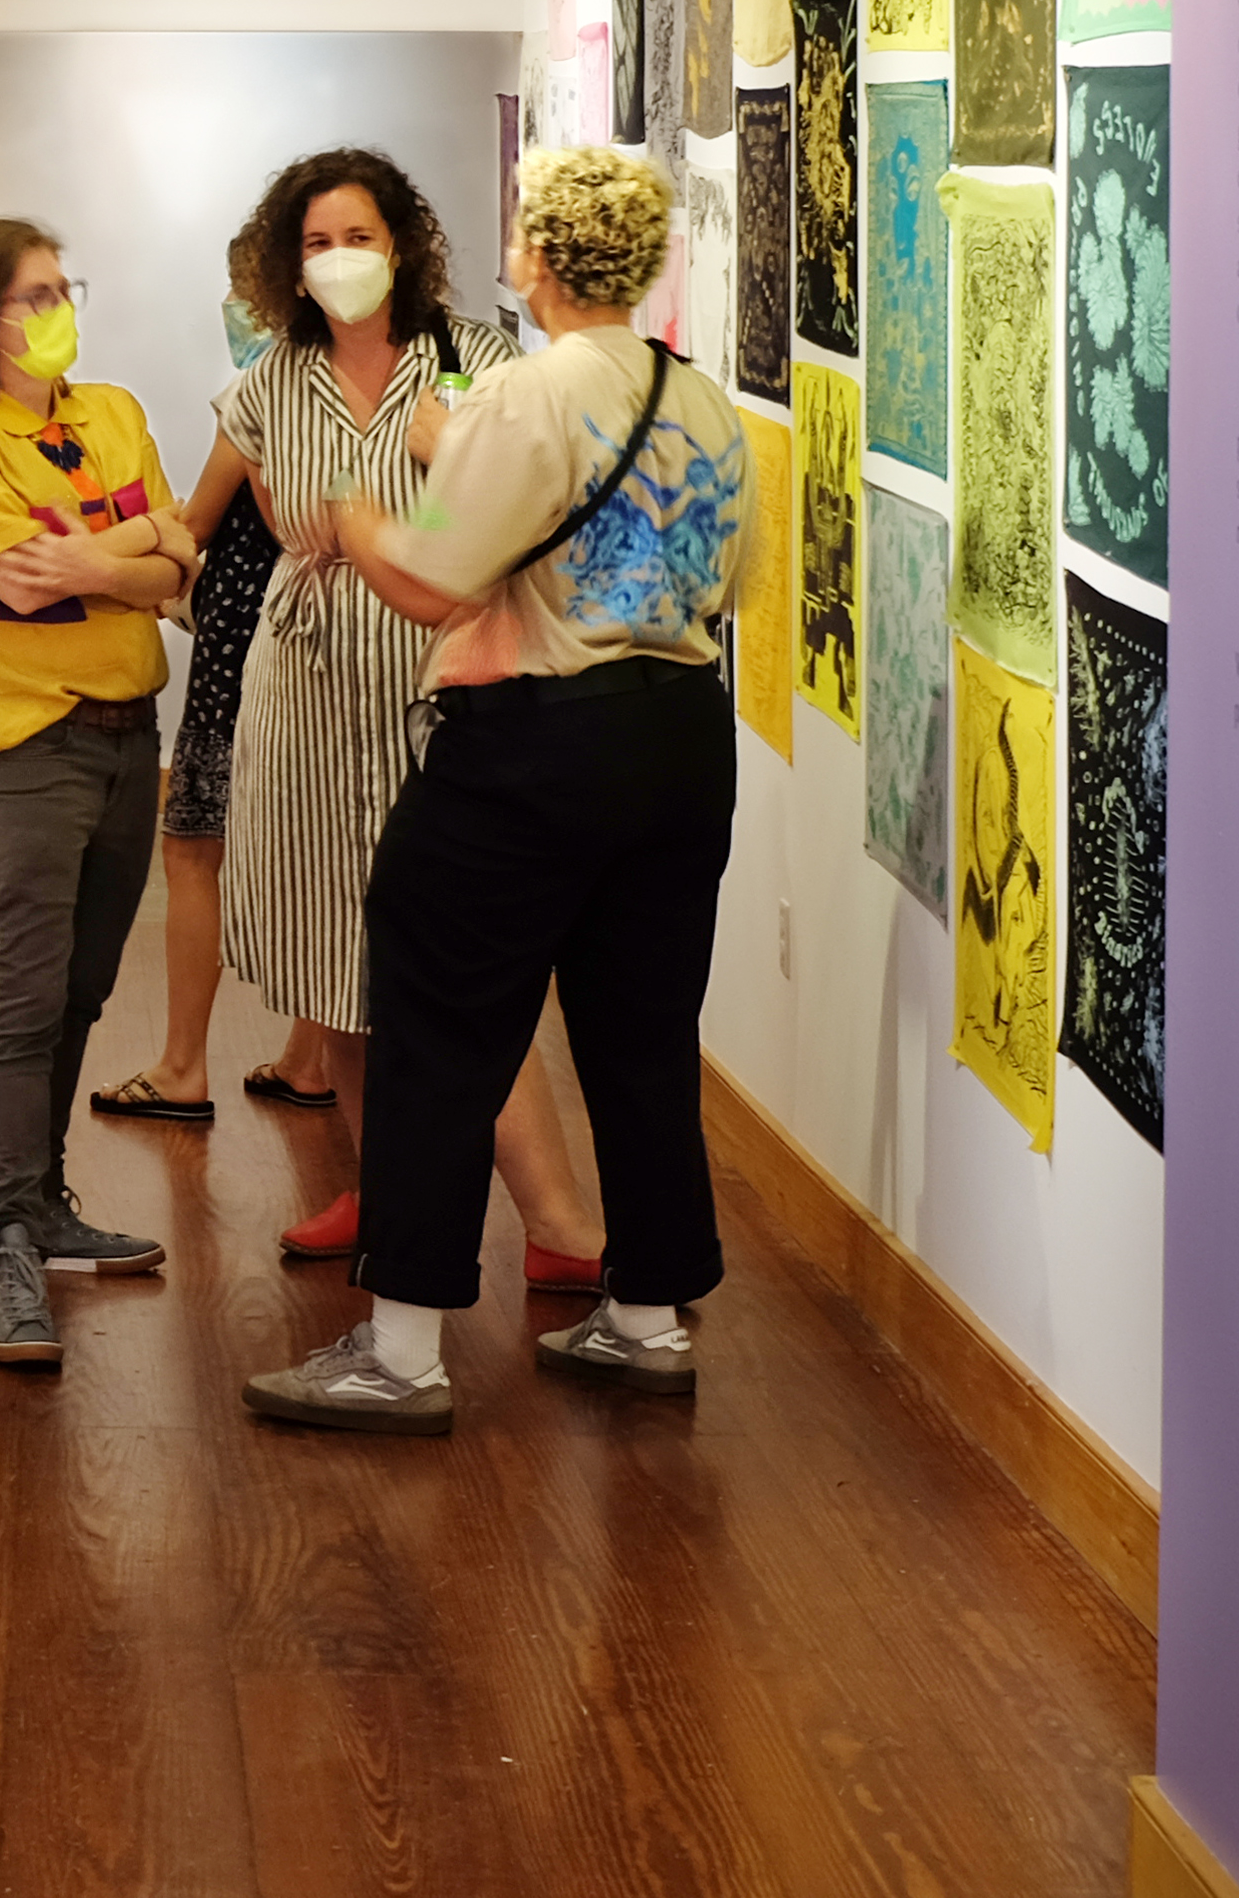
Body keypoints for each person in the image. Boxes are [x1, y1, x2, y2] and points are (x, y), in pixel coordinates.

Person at [245, 143, 752, 1434]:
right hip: (682, 738)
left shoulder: (533, 392)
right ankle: (646, 1319)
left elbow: (434, 581)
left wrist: (360, 522)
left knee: (437, 1030)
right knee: (642, 1040)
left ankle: (404, 1348)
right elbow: (721, 586)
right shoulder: (701, 403)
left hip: (533, 747)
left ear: (539, 257)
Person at [201, 152, 611, 1287]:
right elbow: (237, 519)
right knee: (333, 950)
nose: (340, 260)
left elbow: (522, 516)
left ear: (405, 243)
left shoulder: (477, 362)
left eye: (360, 236)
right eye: (318, 242)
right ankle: (384, 1193)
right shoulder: (272, 378)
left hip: (438, 685)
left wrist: (416, 491)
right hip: (304, 691)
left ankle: (561, 1224)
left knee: (458, 969)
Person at [0, 218, 193, 1368]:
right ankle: (8, 1242)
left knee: (80, 991)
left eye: (64, 287)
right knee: (21, 1002)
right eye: (35, 293)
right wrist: (139, 551)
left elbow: (188, 572)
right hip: (22, 750)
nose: (56, 306)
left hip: (131, 740)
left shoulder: (111, 413)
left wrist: (103, 558)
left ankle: (49, 1199)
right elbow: (23, 587)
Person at [90, 281, 283, 1127]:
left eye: (242, 290)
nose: (231, 307)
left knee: (193, 847)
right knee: (309, 853)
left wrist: (96, 558)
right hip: (304, 641)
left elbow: (193, 522)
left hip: (241, 641)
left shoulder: (258, 393)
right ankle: (312, 1055)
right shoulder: (357, 386)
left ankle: (182, 1066)